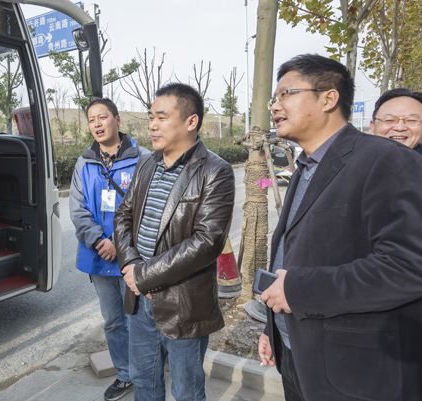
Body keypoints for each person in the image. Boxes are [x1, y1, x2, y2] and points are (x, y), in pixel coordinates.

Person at [259, 54, 422, 401]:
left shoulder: (387, 160)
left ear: (328, 98)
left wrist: (299, 290)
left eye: (287, 93)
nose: (275, 105)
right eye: (275, 97)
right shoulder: (306, 165)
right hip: (296, 354)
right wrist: (272, 329)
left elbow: (408, 267)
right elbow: (294, 253)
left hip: (350, 370)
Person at [114, 83, 235, 401]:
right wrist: (130, 264)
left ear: (191, 121)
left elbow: (208, 241)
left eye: (162, 117)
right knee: (143, 382)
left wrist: (143, 274)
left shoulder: (215, 171)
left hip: (183, 304)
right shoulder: (147, 163)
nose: (152, 125)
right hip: (139, 299)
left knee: (186, 391)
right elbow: (123, 215)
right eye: (150, 117)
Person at [70, 98, 148, 401]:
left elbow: (147, 208)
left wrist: (118, 243)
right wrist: (99, 241)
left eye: (102, 117)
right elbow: (77, 209)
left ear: (117, 119)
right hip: (99, 256)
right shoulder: (84, 162)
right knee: (113, 320)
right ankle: (126, 374)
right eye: (92, 120)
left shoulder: (142, 158)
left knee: (140, 319)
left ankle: (146, 372)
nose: (97, 124)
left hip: (132, 256)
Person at [369, 88, 422, 154]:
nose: (400, 128)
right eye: (389, 120)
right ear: (373, 126)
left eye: (411, 120)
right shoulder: (358, 157)